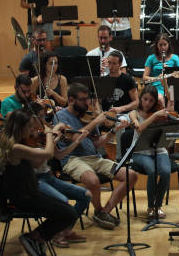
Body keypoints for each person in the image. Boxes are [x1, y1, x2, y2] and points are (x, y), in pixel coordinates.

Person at [0, 108, 78, 255]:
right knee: (69, 214)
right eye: (29, 127)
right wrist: (49, 134)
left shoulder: (17, 144)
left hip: (30, 191)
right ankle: (33, 237)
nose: (32, 130)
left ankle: (38, 239)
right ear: (20, 128)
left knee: (66, 211)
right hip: (24, 197)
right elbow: (48, 153)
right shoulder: (15, 147)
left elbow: (37, 162)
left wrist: (52, 138)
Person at [53, 83, 136, 230]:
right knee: (93, 180)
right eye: (83, 100)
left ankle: (104, 212)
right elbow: (73, 138)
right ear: (71, 100)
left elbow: (97, 143)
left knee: (131, 175)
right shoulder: (60, 116)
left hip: (94, 158)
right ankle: (98, 211)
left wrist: (113, 131)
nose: (87, 103)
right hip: (72, 159)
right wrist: (95, 121)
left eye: (88, 99)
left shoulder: (88, 114)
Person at [29, 102, 90, 247]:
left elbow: (59, 155)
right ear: (31, 118)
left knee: (85, 195)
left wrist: (76, 142)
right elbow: (37, 163)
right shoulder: (27, 138)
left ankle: (64, 231)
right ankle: (49, 233)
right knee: (63, 202)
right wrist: (52, 136)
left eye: (44, 117)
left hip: (48, 177)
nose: (44, 121)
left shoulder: (44, 134)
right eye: (41, 117)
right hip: (36, 181)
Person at [129, 85, 171, 220]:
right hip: (140, 152)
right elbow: (139, 128)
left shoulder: (158, 114)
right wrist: (154, 116)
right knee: (152, 171)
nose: (147, 103)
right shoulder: (134, 114)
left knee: (165, 172)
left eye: (151, 101)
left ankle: (158, 206)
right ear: (140, 98)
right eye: (145, 99)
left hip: (159, 150)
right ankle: (150, 207)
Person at [143, 33, 179, 103]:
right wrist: (159, 78)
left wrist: (169, 72)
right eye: (160, 45)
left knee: (172, 100)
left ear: (168, 45)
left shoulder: (175, 58)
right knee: (160, 98)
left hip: (170, 85)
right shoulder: (151, 58)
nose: (163, 47)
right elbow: (145, 77)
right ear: (156, 45)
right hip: (155, 86)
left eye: (165, 44)